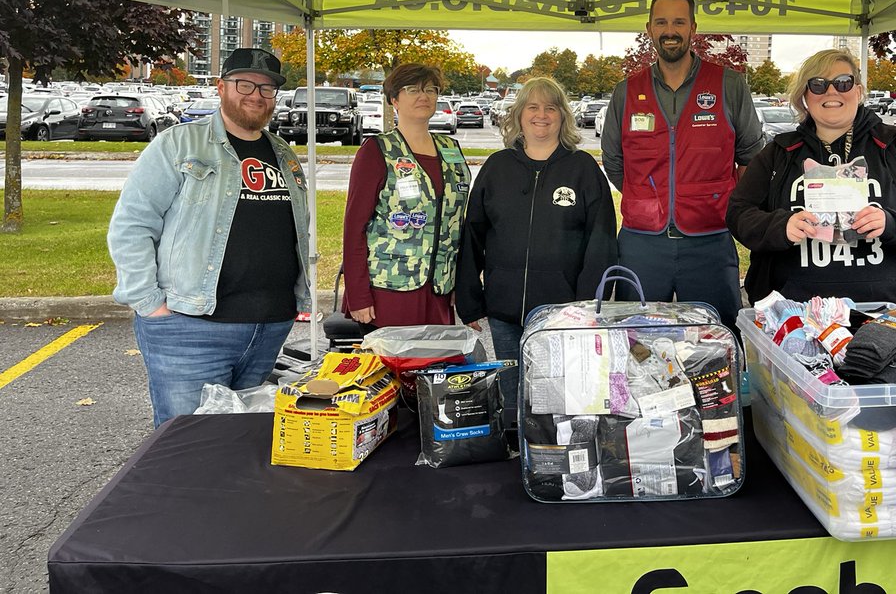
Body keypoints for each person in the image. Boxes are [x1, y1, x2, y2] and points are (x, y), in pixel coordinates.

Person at [108, 47, 310, 427]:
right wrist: (150, 304)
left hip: (270, 328)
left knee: (242, 444)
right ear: (221, 87)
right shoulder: (178, 144)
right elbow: (132, 224)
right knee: (188, 446)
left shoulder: (283, 154)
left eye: (267, 88)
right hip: (190, 329)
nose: (256, 95)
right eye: (244, 84)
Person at [726, 49, 896, 320]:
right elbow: (739, 213)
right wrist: (781, 227)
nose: (832, 92)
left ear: (859, 90)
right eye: (818, 85)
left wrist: (894, 223)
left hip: (895, 312)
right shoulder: (778, 154)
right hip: (796, 316)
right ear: (804, 96)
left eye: (843, 82)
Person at [601, 0, 764, 328]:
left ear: (693, 27)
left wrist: (723, 201)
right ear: (649, 29)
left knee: (717, 341)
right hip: (642, 244)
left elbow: (751, 156)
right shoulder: (626, 91)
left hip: (709, 241)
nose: (670, 31)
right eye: (661, 22)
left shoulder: (728, 85)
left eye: (679, 22)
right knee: (637, 344)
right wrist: (649, 195)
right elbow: (614, 161)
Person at [457, 77, 617, 414]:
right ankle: (516, 454)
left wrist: (588, 305)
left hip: (562, 315)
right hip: (504, 309)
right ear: (518, 114)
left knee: (558, 399)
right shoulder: (497, 168)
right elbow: (472, 235)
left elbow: (601, 240)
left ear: (563, 116)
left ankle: (553, 457)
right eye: (532, 106)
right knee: (513, 396)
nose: (541, 115)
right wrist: (470, 300)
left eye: (550, 107)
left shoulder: (583, 169)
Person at [341, 64, 470, 331]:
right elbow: (355, 228)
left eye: (430, 89)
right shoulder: (378, 151)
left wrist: (461, 283)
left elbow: (459, 222)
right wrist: (358, 294)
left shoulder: (451, 149)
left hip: (439, 289)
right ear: (394, 99)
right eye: (412, 89)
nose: (423, 96)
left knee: (435, 367)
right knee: (395, 369)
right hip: (390, 289)